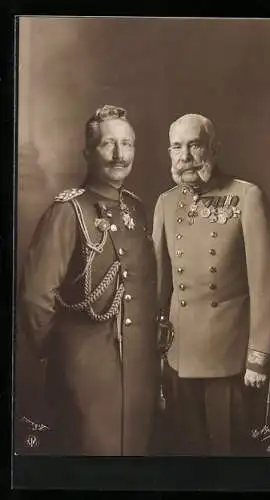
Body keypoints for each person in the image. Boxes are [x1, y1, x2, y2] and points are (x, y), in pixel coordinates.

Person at [17, 104, 159, 456]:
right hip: (85, 378)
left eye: (127, 144)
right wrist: (62, 358)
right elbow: (36, 297)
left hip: (138, 377)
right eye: (108, 144)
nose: (119, 154)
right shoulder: (67, 211)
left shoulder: (136, 209)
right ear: (87, 152)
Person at [152, 113, 270, 456]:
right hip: (179, 354)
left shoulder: (246, 196)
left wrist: (260, 356)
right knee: (185, 450)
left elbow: (267, 283)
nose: (185, 157)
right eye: (177, 147)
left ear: (214, 148)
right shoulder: (166, 203)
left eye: (195, 145)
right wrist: (154, 349)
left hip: (231, 358)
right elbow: (158, 284)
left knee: (232, 454)